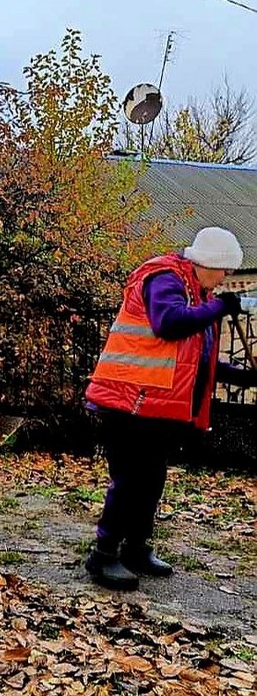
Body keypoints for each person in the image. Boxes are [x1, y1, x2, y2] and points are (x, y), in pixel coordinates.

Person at [84, 226, 256, 591]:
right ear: (207, 262)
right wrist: (217, 309)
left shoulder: (197, 292)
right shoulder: (164, 277)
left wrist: (245, 378)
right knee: (130, 481)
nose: (226, 277)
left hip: (155, 407)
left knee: (151, 481)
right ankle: (104, 555)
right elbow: (169, 324)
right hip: (128, 401)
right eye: (224, 269)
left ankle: (136, 549)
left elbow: (199, 360)